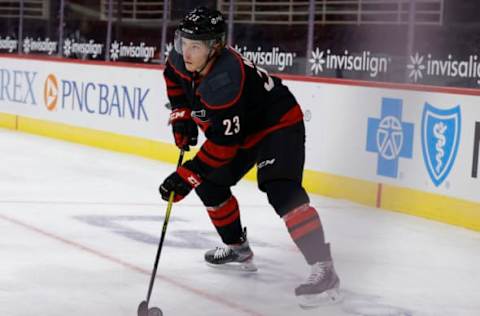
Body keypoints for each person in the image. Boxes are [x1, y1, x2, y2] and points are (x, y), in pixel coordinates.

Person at [159, 6, 341, 308]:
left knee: (280, 188)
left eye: (195, 46)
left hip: (277, 124)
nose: (185, 53)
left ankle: (324, 269)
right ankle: (237, 248)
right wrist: (182, 117)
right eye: (183, 43)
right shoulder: (181, 58)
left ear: (215, 47)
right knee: (210, 183)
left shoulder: (225, 79)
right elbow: (173, 79)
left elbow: (223, 145)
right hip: (242, 127)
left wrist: (186, 175)